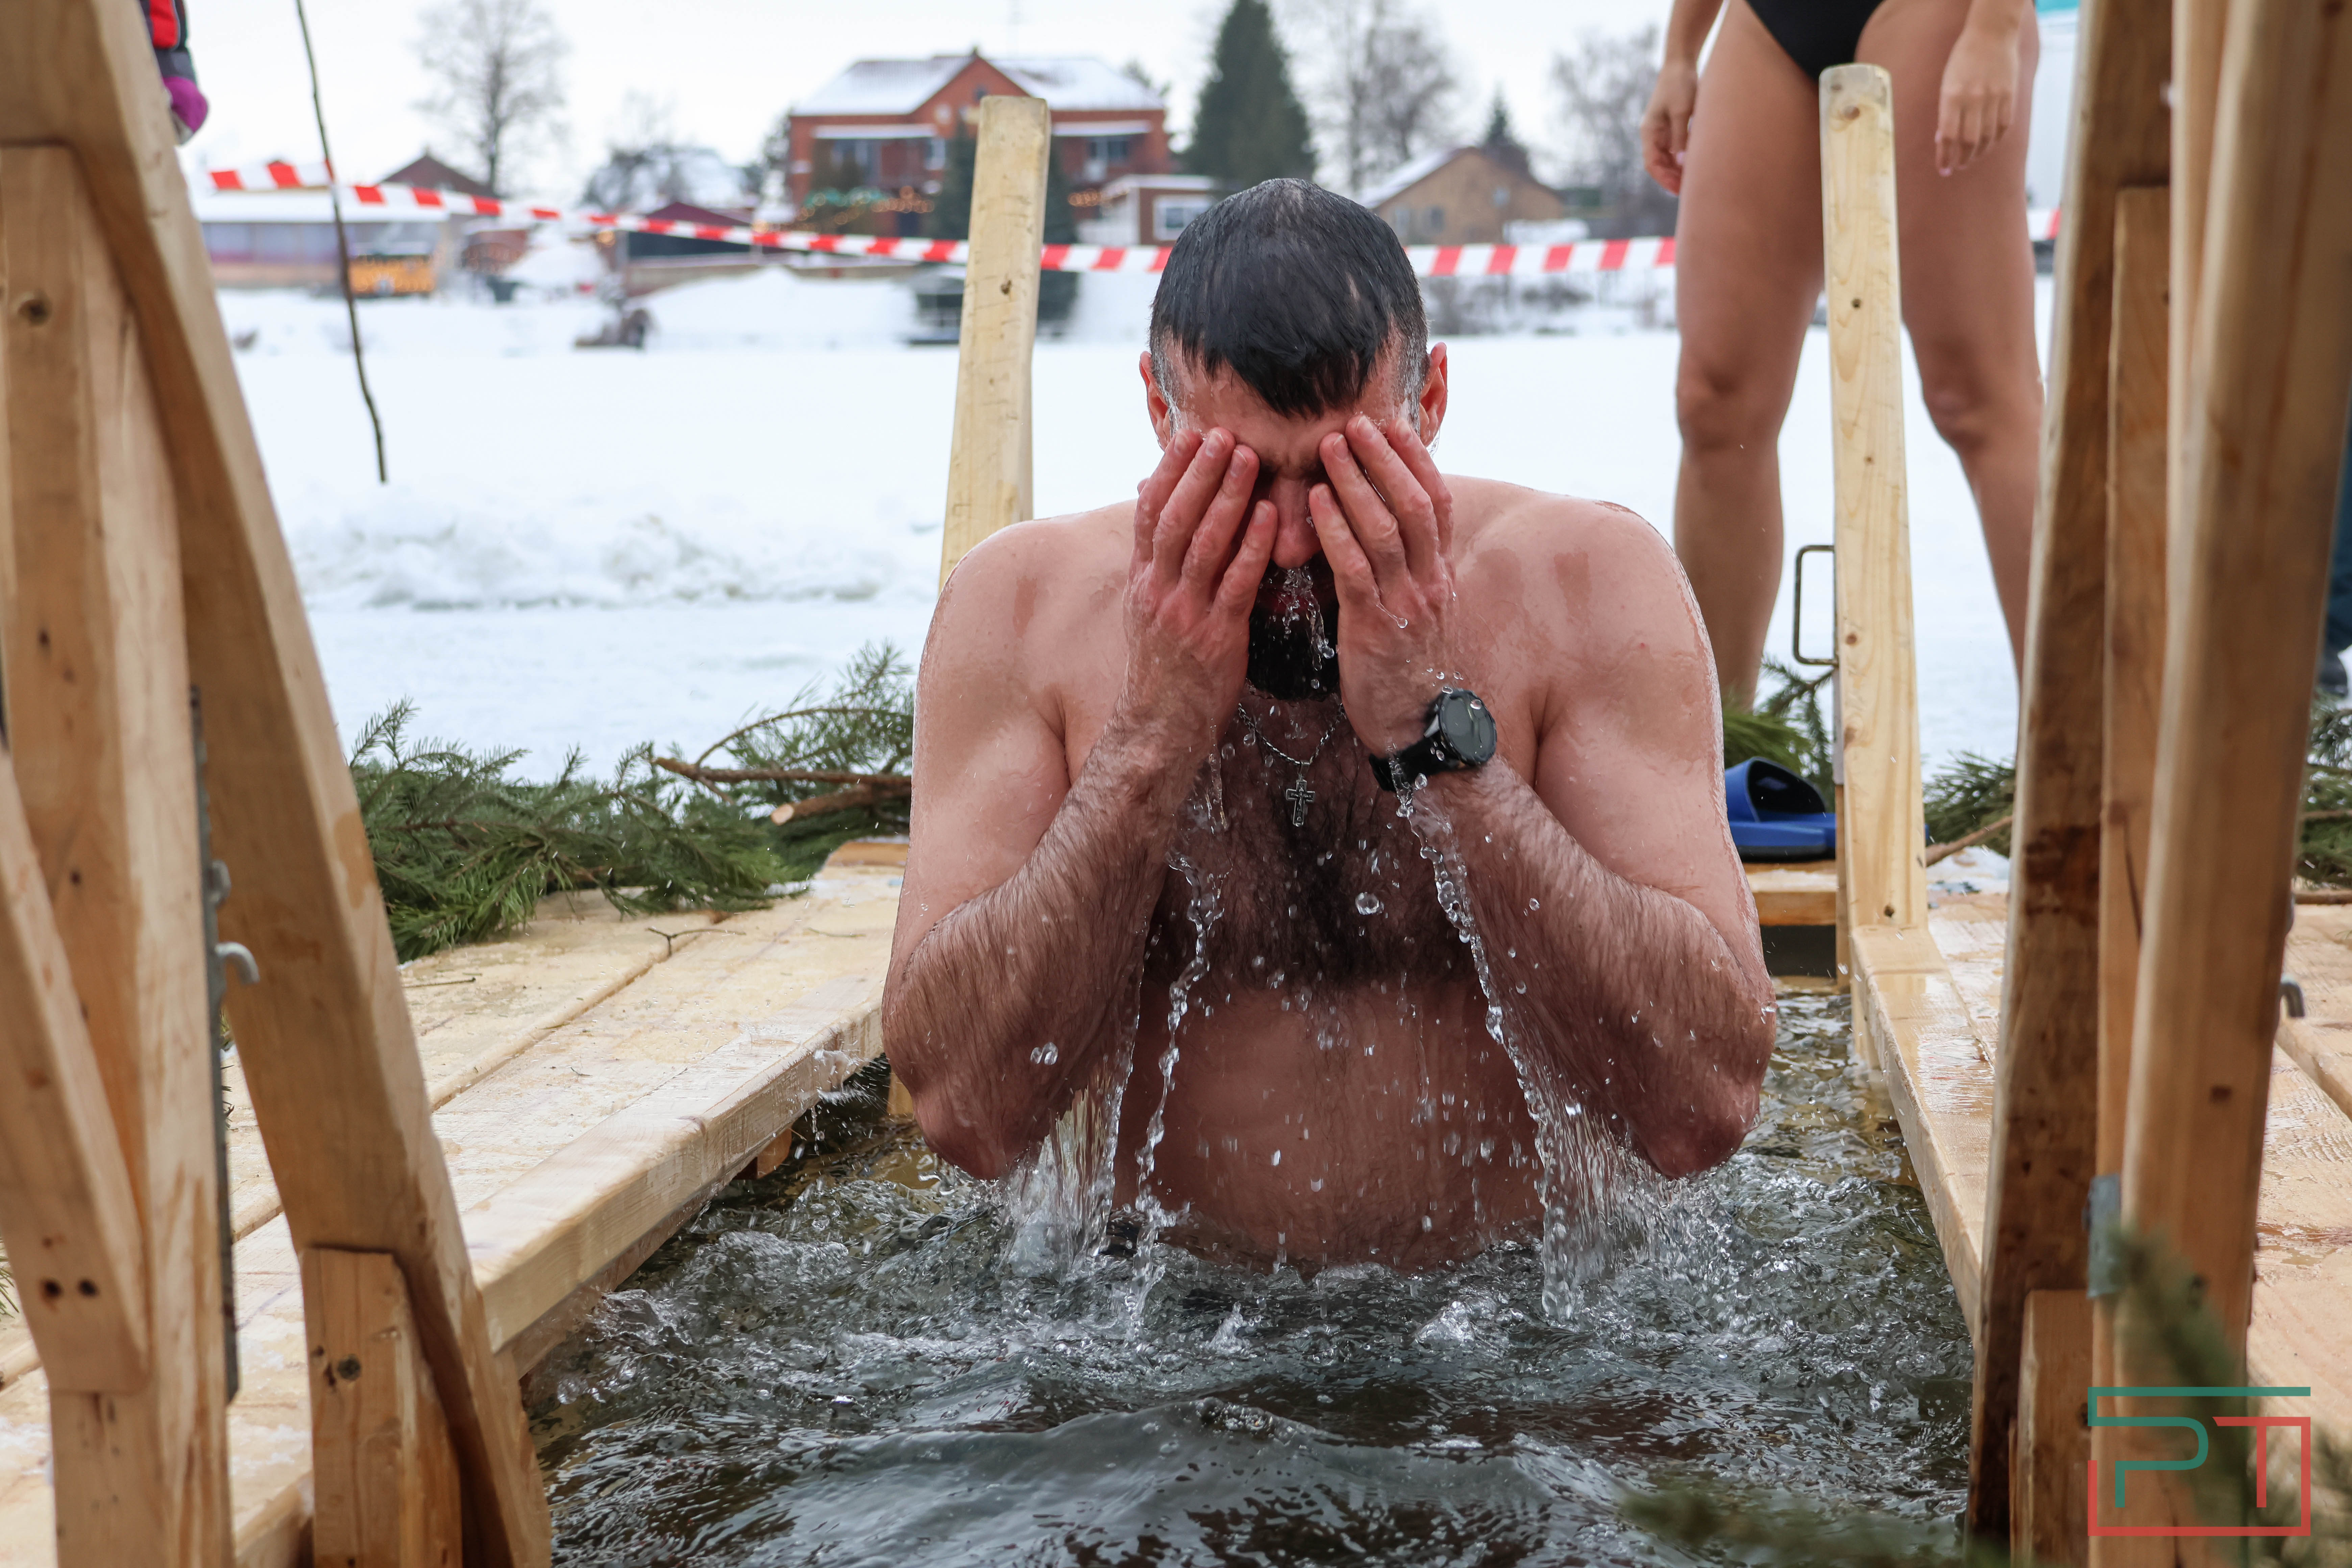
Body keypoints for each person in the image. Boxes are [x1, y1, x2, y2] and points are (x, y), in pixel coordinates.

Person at [884, 181, 1775, 1271]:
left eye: (1344, 472)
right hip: (1155, 1334)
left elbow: (1701, 1108)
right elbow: (968, 1116)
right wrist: (1153, 738)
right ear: (1160, 414)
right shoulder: (1024, 605)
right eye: (1246, 477)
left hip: (1521, 1325)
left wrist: (1437, 736)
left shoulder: (1583, 584)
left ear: (1431, 401)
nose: (1299, 542)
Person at [1642, 0, 2043, 705]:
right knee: (1715, 400)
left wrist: (1996, 29)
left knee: (1977, 395)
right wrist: (1680, 51)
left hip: (1937, 14)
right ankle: (1714, 763)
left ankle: (2079, 761)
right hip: (1769, 21)